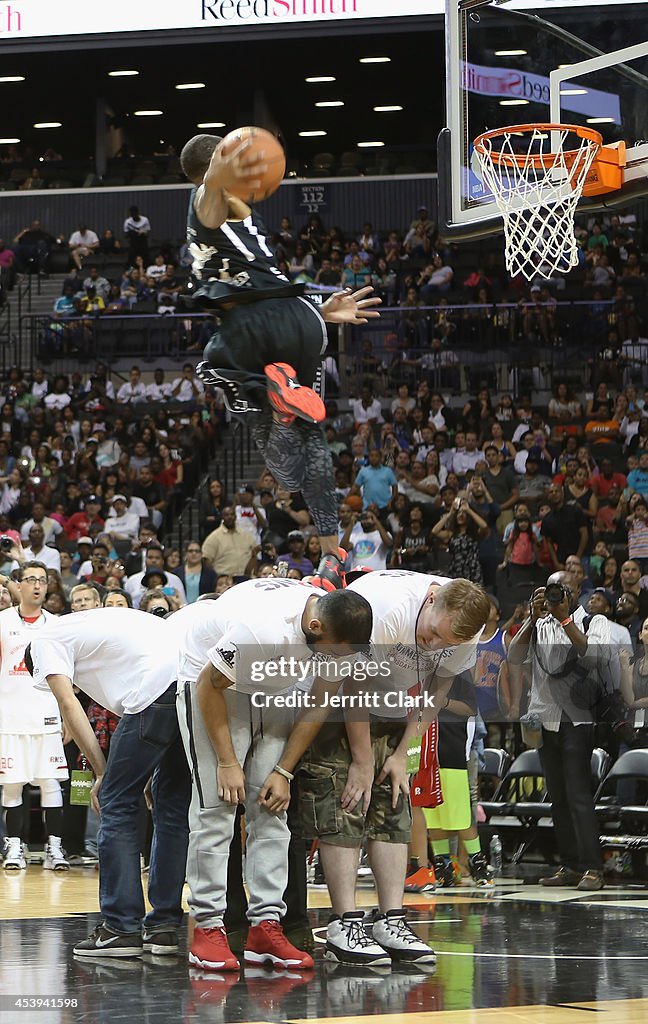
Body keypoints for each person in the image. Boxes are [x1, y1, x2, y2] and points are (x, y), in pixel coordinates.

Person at [180, 132, 380, 587]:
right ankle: (333, 556)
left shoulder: (216, 219)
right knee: (312, 448)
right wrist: (321, 311)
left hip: (256, 329)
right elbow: (209, 185)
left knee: (284, 468)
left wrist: (320, 306)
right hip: (300, 320)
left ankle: (280, 405)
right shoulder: (206, 199)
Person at [174, 578, 373, 971]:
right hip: (210, 685)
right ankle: (208, 929)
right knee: (217, 808)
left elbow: (319, 702)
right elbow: (208, 686)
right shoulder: (262, 628)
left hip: (273, 691)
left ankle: (265, 926)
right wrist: (228, 762)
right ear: (316, 627)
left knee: (272, 807)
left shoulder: (341, 628)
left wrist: (284, 770)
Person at [300, 569, 490, 966]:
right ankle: (343, 923)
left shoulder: (464, 627)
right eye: (433, 634)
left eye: (445, 643)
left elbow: (438, 691)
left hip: (395, 705)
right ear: (432, 598)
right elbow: (352, 683)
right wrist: (363, 760)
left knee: (394, 806)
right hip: (340, 700)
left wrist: (404, 752)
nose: (434, 645)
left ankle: (391, 918)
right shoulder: (386, 609)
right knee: (348, 801)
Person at [26, 607, 191, 957]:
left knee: (116, 802)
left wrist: (102, 773)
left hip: (155, 691)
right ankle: (163, 926)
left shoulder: (42, 640)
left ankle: (120, 927)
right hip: (190, 686)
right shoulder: (88, 626)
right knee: (172, 807)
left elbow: (68, 704)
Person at [508, 572, 615, 891]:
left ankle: (593, 868)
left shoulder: (592, 622)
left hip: (575, 720)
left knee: (579, 796)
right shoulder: (540, 624)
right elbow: (514, 656)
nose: (554, 597)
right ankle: (569, 864)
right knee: (557, 797)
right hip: (543, 718)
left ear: (576, 591)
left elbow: (592, 655)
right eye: (550, 590)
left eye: (561, 590)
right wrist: (530, 618)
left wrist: (565, 618)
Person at [0, 563, 68, 872]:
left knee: (50, 782)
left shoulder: (56, 625)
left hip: (47, 715)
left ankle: (55, 848)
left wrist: (68, 715)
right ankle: (15, 847)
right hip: (10, 716)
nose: (37, 586)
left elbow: (67, 675)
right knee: (12, 785)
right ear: (19, 585)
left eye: (42, 580)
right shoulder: (2, 622)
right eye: (31, 580)